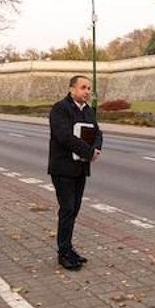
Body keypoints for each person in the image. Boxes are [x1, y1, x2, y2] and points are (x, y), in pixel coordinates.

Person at [47, 75, 102, 270]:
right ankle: (63, 253)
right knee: (67, 208)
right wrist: (88, 152)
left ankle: (69, 248)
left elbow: (97, 132)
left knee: (75, 209)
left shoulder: (88, 110)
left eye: (89, 88)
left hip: (80, 167)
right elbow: (64, 137)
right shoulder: (60, 108)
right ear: (72, 89)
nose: (87, 91)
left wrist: (96, 149)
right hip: (63, 168)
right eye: (83, 87)